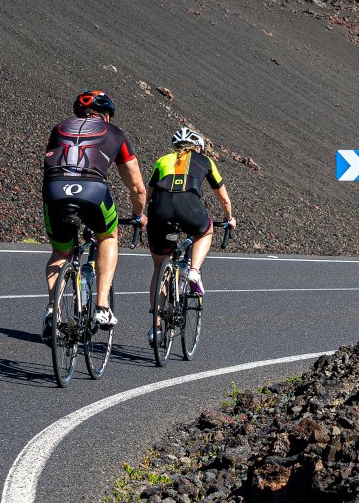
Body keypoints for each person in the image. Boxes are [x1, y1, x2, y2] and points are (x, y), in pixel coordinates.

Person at [40, 90, 147, 331]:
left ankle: (52, 309)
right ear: (106, 115)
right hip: (92, 190)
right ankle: (101, 307)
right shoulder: (114, 132)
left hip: (54, 189)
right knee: (108, 236)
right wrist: (139, 215)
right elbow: (138, 187)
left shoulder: (59, 128)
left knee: (60, 252)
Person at [145, 126, 237, 341]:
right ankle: (193, 270)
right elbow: (223, 198)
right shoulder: (205, 161)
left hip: (159, 211)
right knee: (205, 231)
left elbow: (148, 194)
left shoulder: (162, 160)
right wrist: (230, 218)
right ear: (199, 147)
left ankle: (156, 328)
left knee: (159, 269)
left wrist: (140, 216)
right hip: (189, 207)